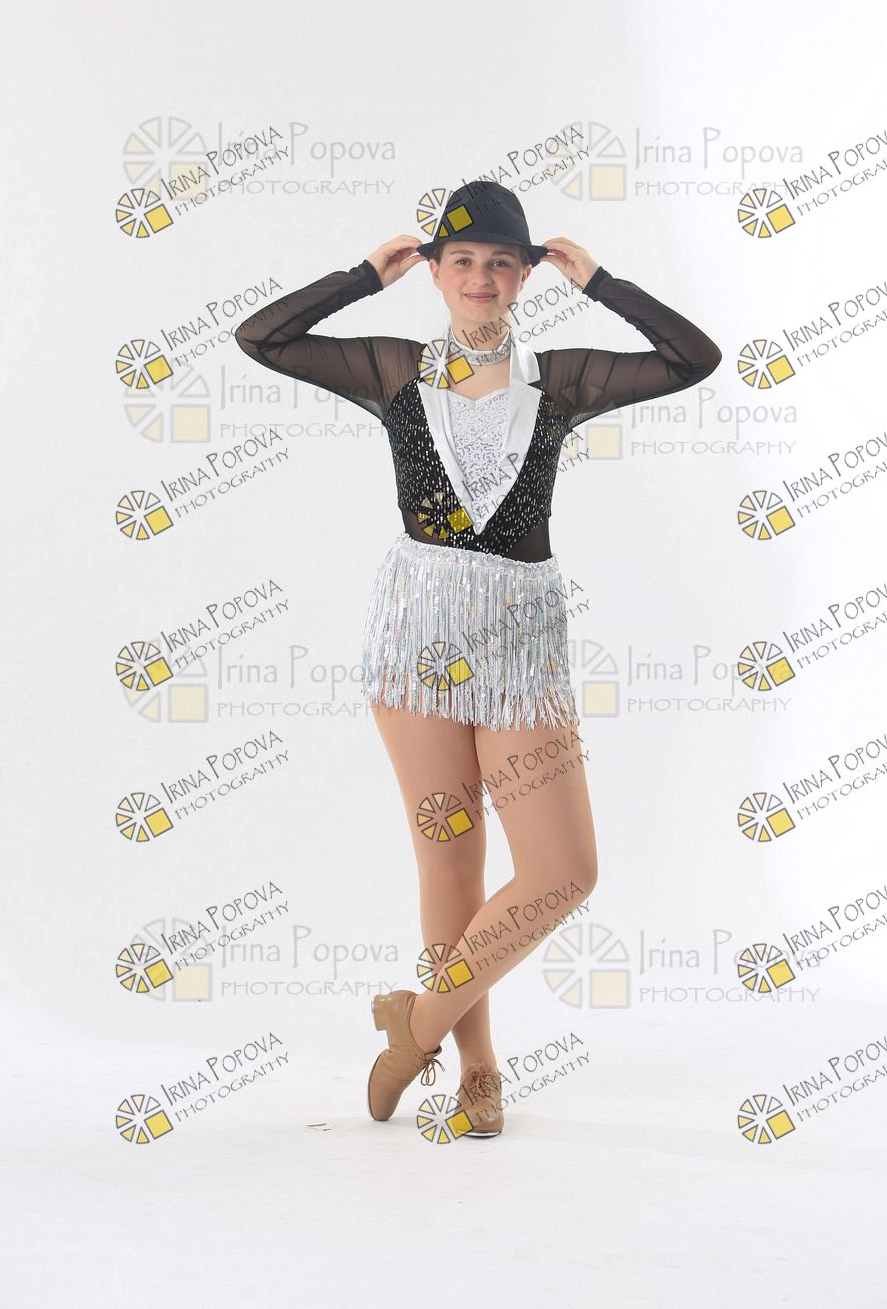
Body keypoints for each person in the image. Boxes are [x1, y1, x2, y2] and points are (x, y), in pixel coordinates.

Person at [234, 180, 722, 1137]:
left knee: (563, 871)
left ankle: (413, 1028)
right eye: (461, 260)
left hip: (521, 650)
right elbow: (263, 339)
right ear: (435, 272)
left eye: (502, 262)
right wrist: (359, 278)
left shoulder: (560, 380)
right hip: (416, 641)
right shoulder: (393, 369)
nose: (481, 278)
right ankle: (477, 1071)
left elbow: (691, 359)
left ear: (527, 274)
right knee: (451, 871)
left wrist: (604, 285)